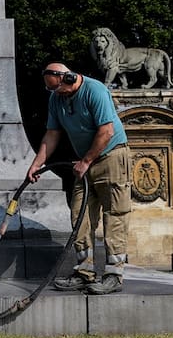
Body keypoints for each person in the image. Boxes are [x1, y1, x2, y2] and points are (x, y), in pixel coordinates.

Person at [26, 62, 132, 294]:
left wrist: (86, 161)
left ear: (70, 78)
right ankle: (85, 271)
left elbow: (107, 131)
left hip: (111, 157)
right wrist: (36, 164)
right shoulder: (56, 99)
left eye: (59, 89)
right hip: (85, 162)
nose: (57, 94)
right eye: (52, 90)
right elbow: (52, 133)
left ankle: (114, 274)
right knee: (79, 215)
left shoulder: (95, 91)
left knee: (114, 214)